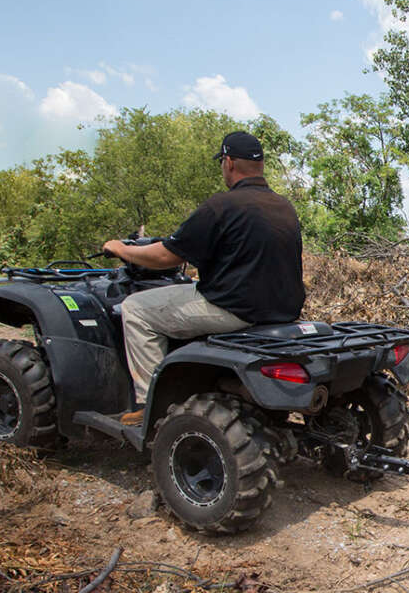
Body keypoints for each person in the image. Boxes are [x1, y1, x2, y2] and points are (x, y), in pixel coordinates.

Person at [101, 131, 305, 425]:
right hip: (281, 311)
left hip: (235, 310)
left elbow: (165, 257)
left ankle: (151, 405)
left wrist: (121, 248)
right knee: (192, 291)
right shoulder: (283, 206)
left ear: (229, 162)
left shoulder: (222, 206)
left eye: (222, 162)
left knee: (136, 309)